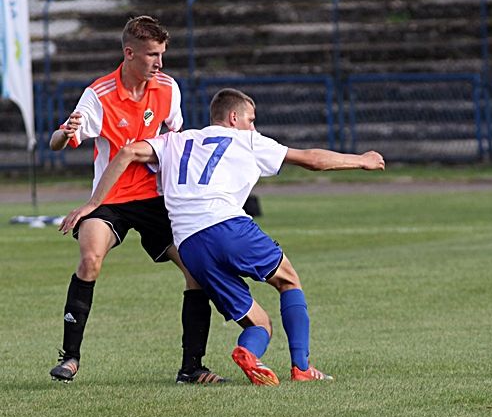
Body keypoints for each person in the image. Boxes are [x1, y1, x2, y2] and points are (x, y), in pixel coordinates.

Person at [60, 88, 386, 385]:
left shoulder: (176, 141)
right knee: (288, 281)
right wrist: (362, 161)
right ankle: (301, 368)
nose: (253, 127)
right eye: (251, 120)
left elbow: (128, 152)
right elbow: (312, 160)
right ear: (233, 118)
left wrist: (94, 202)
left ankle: (249, 352)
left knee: (260, 324)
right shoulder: (248, 141)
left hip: (190, 246)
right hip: (229, 227)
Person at [48, 16, 225, 384]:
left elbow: (176, 140)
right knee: (90, 257)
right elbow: (56, 142)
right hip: (108, 198)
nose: (159, 63)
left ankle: (192, 368)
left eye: (161, 54)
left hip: (155, 199)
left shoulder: (168, 88)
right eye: (151, 55)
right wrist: (65, 134)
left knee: (196, 269)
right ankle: (70, 357)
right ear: (129, 53)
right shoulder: (98, 94)